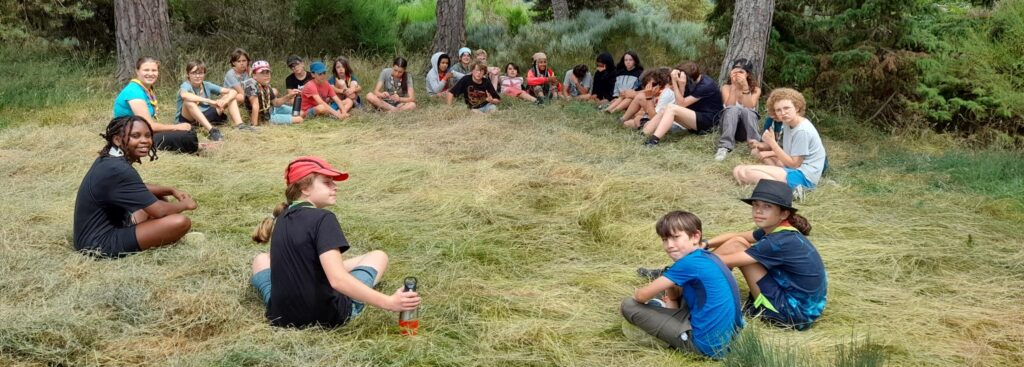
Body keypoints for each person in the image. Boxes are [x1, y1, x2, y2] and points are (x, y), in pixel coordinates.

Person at [249, 156, 421, 328]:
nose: (335, 187)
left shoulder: (280, 218)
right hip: (327, 316)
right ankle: (334, 273)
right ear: (304, 188)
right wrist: (390, 302)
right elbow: (338, 281)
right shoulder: (324, 218)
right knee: (378, 256)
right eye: (327, 182)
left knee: (261, 260)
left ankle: (325, 269)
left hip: (280, 316)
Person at [703, 180, 827, 330]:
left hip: (792, 316)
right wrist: (705, 244)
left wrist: (692, 258)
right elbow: (737, 236)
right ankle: (689, 285)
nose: (758, 211)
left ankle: (688, 289)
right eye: (756, 204)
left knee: (724, 255)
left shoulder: (779, 241)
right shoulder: (779, 228)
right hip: (804, 309)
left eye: (767, 206)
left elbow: (722, 261)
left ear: (784, 213)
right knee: (737, 242)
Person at [621, 211, 743, 358]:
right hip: (732, 339)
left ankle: (664, 328)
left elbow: (641, 296)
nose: (669, 245)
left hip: (707, 347)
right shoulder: (708, 256)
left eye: (675, 237)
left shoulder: (688, 263)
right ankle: (666, 310)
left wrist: (640, 292)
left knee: (628, 305)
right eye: (665, 239)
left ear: (695, 236)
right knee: (674, 288)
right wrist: (672, 298)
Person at [73, 115, 197, 257]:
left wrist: (170, 190)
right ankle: (158, 235)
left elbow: (137, 187)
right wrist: (185, 205)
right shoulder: (118, 169)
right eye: (135, 136)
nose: (144, 141)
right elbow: (159, 211)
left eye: (148, 135)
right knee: (180, 222)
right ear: (117, 139)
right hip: (97, 244)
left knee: (158, 197)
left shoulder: (110, 159)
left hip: (114, 225)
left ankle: (152, 232)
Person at [733, 88, 826, 192]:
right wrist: (765, 147)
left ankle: (786, 190)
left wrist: (772, 143)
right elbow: (786, 151)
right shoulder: (788, 123)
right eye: (778, 110)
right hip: (794, 169)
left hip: (804, 177)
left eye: (787, 108)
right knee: (741, 166)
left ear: (797, 108)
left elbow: (795, 164)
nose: (783, 113)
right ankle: (780, 182)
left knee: (743, 172)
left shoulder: (802, 130)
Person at [113, 56, 203, 154]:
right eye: (146, 70)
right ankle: (197, 146)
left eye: (154, 70)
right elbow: (149, 126)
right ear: (137, 71)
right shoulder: (134, 91)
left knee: (188, 131)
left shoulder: (146, 89)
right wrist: (177, 127)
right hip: (130, 137)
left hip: (140, 132)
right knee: (187, 135)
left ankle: (194, 144)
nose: (150, 74)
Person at [641, 62, 724, 147]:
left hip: (710, 122)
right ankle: (643, 135)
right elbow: (680, 100)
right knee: (664, 110)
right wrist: (681, 86)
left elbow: (680, 105)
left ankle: (653, 141)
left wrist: (676, 83)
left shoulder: (706, 85)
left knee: (671, 108)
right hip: (697, 120)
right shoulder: (691, 83)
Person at [176, 60, 250, 142]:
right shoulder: (186, 85)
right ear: (188, 74)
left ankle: (240, 125)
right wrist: (210, 101)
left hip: (206, 115)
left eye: (200, 73)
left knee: (229, 96)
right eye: (194, 73)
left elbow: (233, 91)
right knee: (188, 101)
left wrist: (224, 102)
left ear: (204, 74)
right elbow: (184, 95)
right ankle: (212, 131)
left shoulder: (206, 84)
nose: (197, 76)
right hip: (189, 120)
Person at [715, 58, 763, 161]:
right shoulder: (726, 88)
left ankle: (756, 145)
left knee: (747, 111)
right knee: (732, 109)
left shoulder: (755, 90)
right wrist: (734, 87)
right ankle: (724, 147)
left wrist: (745, 87)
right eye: (735, 72)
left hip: (746, 131)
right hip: (728, 129)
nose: (737, 75)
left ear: (748, 75)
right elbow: (728, 106)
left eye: (741, 72)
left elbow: (750, 106)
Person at [243, 60, 304, 125]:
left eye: (267, 72)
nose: (266, 75)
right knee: (299, 119)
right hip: (264, 117)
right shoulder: (250, 84)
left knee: (301, 113)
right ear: (254, 75)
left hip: (272, 109)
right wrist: (254, 126)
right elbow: (255, 106)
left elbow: (276, 103)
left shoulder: (266, 85)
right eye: (262, 73)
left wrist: (288, 96)